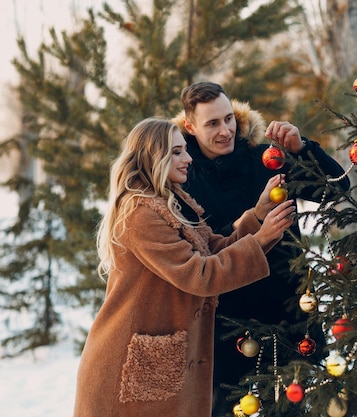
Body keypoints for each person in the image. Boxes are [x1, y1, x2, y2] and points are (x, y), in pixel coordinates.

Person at [73, 117, 295, 417]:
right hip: (127, 372)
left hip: (155, 365)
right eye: (177, 152)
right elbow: (200, 275)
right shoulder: (141, 213)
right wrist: (262, 237)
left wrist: (258, 216)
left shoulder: (172, 201)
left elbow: (213, 250)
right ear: (154, 155)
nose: (188, 158)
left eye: (184, 150)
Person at [172, 81, 350, 415]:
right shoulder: (183, 177)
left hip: (288, 310)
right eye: (212, 123)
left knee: (293, 407)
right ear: (190, 127)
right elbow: (197, 252)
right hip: (226, 324)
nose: (226, 131)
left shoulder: (264, 158)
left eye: (229, 119)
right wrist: (252, 223)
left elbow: (338, 191)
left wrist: (302, 150)